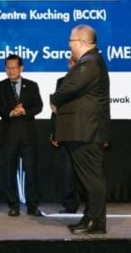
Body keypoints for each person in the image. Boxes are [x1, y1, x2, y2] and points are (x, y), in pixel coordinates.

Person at [50, 24, 110, 235]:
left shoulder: (89, 62)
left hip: (86, 130)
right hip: (83, 130)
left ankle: (96, 222)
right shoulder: (89, 61)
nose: (69, 44)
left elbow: (68, 88)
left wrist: (54, 99)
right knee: (87, 179)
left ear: (82, 42)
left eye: (71, 40)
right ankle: (90, 217)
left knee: (91, 179)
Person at [0, 54, 43, 217]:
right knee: (9, 172)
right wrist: (10, 112)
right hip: (8, 135)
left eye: (14, 68)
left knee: (31, 172)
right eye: (8, 68)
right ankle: (13, 205)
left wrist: (25, 111)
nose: (11, 71)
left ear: (21, 68)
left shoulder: (32, 85)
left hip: (28, 136)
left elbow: (39, 106)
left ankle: (32, 206)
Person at [49, 55, 81, 215]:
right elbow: (55, 109)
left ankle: (90, 206)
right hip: (66, 132)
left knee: (85, 172)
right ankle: (70, 205)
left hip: (84, 130)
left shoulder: (89, 81)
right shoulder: (61, 82)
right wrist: (55, 132)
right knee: (68, 172)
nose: (73, 65)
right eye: (72, 62)